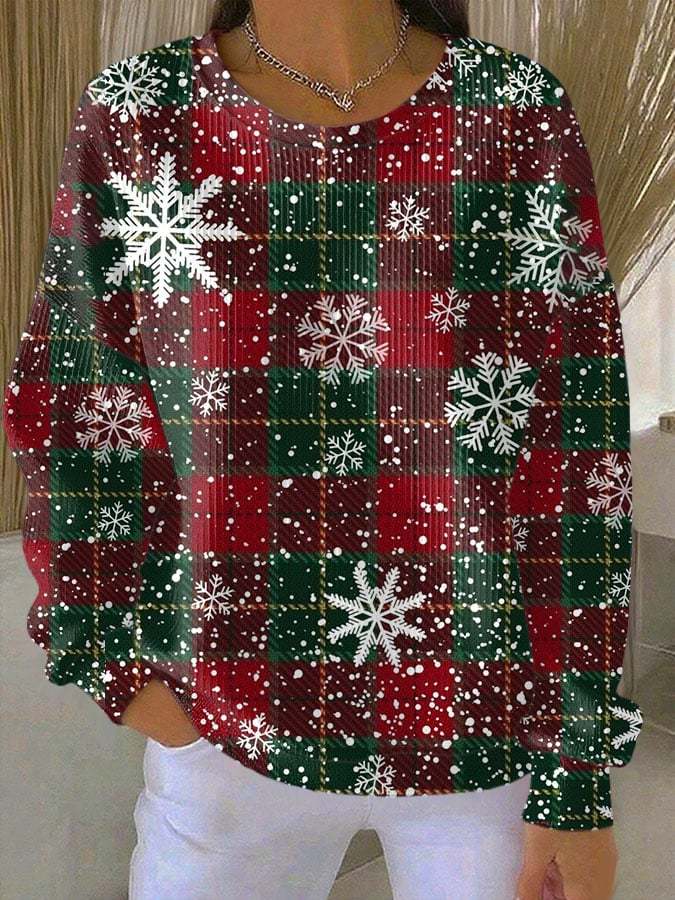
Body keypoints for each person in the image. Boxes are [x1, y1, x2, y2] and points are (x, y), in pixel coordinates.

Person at [2, 1, 643, 898]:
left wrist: (576, 776)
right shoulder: (143, 111)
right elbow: (81, 395)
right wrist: (110, 658)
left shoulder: (511, 110)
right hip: (223, 722)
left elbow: (575, 445)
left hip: (487, 726)